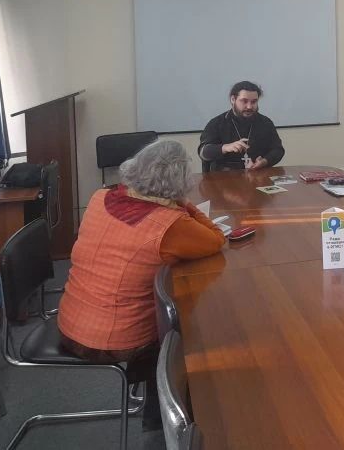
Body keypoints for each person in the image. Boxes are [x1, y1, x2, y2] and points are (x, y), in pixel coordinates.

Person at [58, 140, 225, 428]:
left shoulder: (100, 197)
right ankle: (167, 419)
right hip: (113, 340)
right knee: (190, 328)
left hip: (70, 321)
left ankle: (157, 406)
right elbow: (215, 240)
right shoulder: (170, 224)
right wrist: (185, 204)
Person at [198, 81, 285, 171]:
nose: (249, 106)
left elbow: (278, 150)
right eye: (244, 101)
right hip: (224, 176)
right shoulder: (217, 123)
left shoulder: (265, 122)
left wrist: (264, 161)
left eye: (254, 102)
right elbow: (203, 152)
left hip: (257, 175)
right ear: (233, 99)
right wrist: (225, 148)